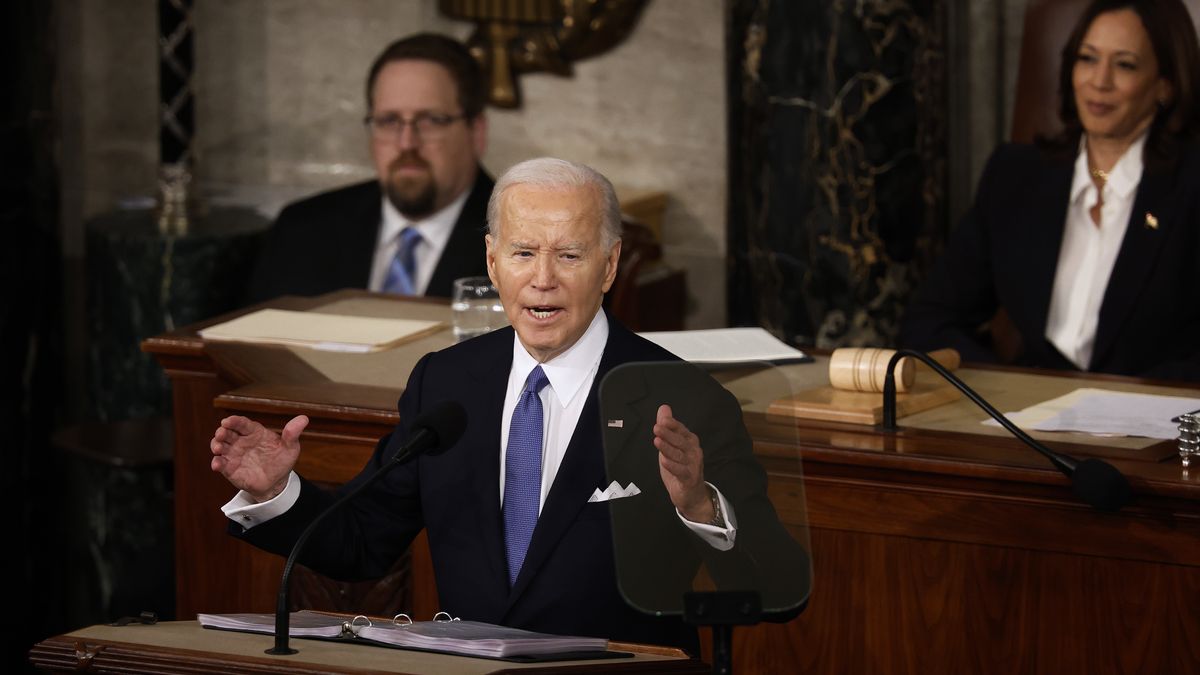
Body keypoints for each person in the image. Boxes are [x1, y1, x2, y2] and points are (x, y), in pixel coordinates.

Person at [211, 158, 807, 651]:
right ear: (493, 263)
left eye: (569, 255)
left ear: (610, 265)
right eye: (523, 254)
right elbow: (363, 541)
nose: (542, 279)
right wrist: (275, 493)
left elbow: (777, 587)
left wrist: (701, 505)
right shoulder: (445, 382)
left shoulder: (685, 400)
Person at [901, 0, 1200, 380]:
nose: (1099, 81)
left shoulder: (1191, 188)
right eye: (1087, 58)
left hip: (1155, 428)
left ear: (1165, 85)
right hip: (1028, 424)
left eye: (1124, 64)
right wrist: (1011, 394)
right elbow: (930, 320)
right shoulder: (1015, 176)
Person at [246, 33, 492, 303]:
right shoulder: (302, 231)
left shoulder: (523, 241)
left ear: (476, 132)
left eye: (430, 121)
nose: (406, 143)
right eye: (388, 121)